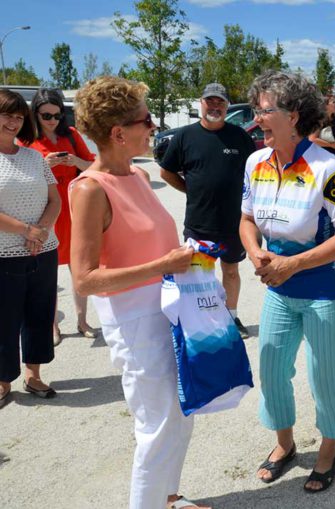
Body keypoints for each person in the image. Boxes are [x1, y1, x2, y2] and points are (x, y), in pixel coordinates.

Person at [69, 76, 209, 509]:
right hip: (133, 321)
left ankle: (166, 498)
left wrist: (184, 256)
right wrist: (163, 264)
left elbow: (151, 243)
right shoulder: (91, 188)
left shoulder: (139, 175)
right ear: (118, 132)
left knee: (181, 414)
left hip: (167, 310)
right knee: (157, 424)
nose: (153, 127)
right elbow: (85, 279)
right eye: (146, 120)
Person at [240, 70, 335, 493]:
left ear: (293, 115)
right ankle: (285, 446)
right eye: (256, 109)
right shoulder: (255, 162)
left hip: (325, 290)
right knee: (272, 369)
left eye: (265, 109)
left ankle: (329, 451)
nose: (257, 118)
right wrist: (256, 252)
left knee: (323, 374)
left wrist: (294, 264)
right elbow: (247, 220)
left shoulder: (328, 168)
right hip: (279, 289)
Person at [160, 82, 255, 339]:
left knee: (231, 271)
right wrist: (190, 190)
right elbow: (165, 171)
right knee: (199, 275)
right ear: (201, 103)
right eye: (210, 101)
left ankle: (231, 317)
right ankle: (202, 319)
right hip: (199, 221)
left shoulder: (240, 136)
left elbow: (255, 172)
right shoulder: (184, 136)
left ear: (226, 106)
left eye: (220, 102)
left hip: (234, 222)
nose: (215, 106)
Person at [0, 89, 61, 409]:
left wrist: (41, 232)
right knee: (4, 319)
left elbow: (55, 199)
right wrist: (26, 230)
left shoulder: (34, 157)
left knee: (39, 314)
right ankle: (2, 379)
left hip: (43, 250)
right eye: (7, 114)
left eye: (19, 116)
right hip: (4, 253)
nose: (14, 121)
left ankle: (33, 373)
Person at [25, 88, 96, 345]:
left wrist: (74, 160)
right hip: (45, 211)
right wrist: (46, 165)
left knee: (80, 267)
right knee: (48, 274)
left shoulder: (72, 135)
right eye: (46, 115)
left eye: (57, 115)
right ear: (35, 114)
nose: (53, 120)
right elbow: (17, 176)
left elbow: (92, 167)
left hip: (75, 209)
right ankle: (53, 325)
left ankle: (82, 320)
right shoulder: (26, 139)